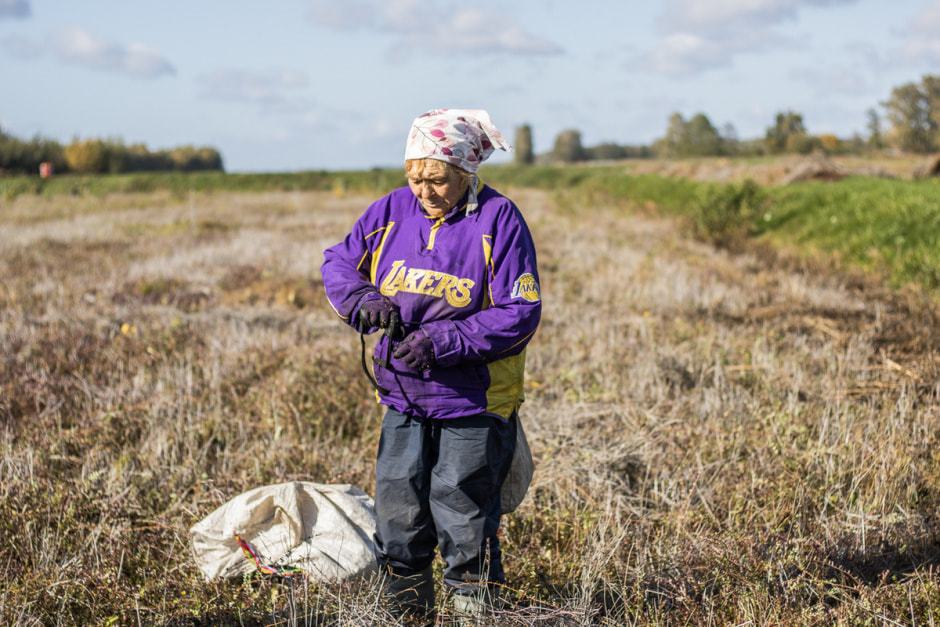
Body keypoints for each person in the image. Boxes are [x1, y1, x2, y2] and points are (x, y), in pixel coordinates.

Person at [320, 109, 541, 624]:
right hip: (403, 393)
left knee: (460, 507)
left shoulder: (498, 219)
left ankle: (473, 609)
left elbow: (519, 311)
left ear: (466, 172)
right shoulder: (392, 210)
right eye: (415, 178)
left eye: (437, 179)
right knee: (398, 506)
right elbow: (338, 261)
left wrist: (441, 341)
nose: (423, 190)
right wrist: (362, 297)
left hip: (474, 398)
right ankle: (406, 611)